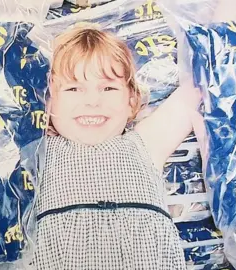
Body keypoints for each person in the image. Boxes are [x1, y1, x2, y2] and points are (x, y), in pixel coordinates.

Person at [34, 25, 201, 270]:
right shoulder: (35, 153)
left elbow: (204, 78)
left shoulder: (144, 143)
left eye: (108, 87)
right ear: (46, 101)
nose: (92, 101)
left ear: (132, 98)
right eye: (73, 88)